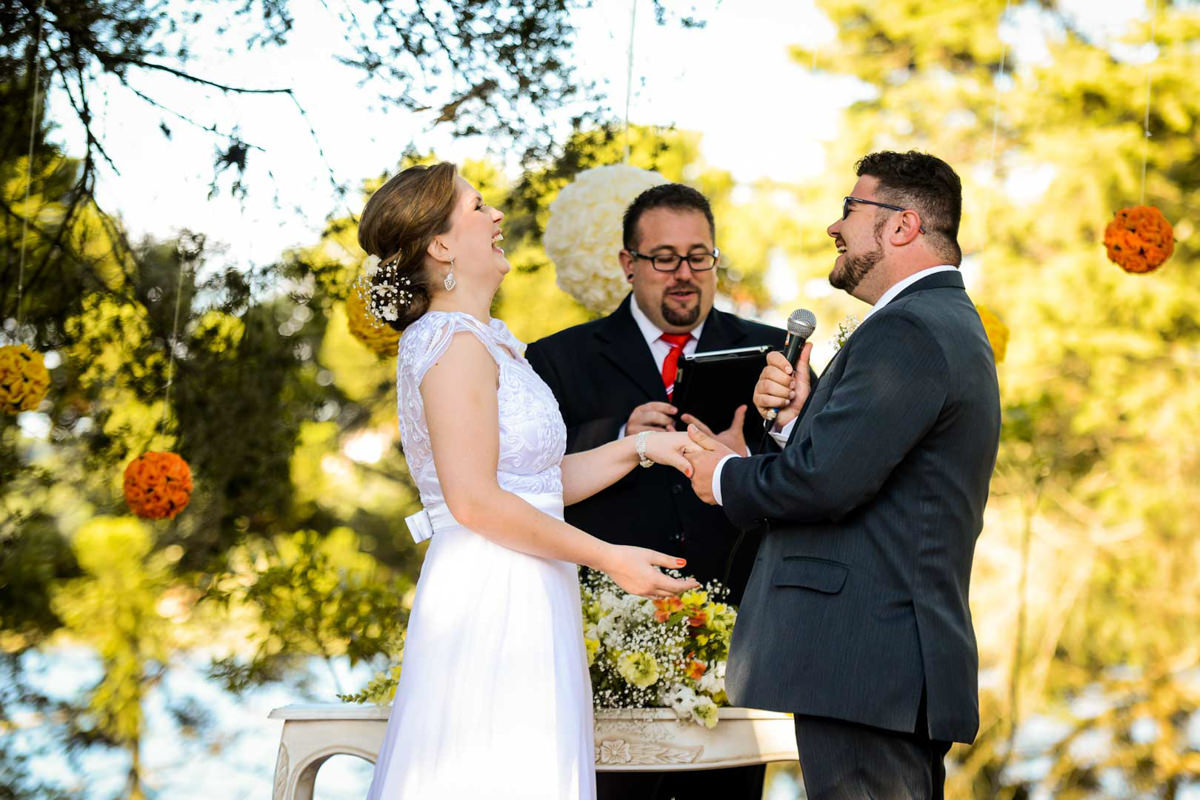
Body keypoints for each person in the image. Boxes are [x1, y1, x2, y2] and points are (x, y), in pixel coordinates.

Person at [359, 162, 700, 800]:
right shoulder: (451, 342)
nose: (496, 219)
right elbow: (475, 499)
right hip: (492, 588)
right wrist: (610, 558)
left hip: (531, 577)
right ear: (440, 245)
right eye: (479, 207)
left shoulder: (488, 341)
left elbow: (537, 484)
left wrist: (643, 447)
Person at [683, 151, 1002, 800]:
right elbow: (863, 467)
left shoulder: (909, 328)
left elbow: (824, 484)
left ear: (902, 226)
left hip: (866, 658)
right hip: (876, 664)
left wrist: (724, 475)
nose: (836, 225)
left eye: (851, 210)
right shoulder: (935, 324)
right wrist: (797, 420)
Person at [526, 183, 783, 800]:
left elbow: (819, 474)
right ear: (627, 264)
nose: (684, 274)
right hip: (605, 643)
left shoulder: (776, 353)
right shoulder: (557, 358)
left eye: (699, 256)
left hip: (739, 645)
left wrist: (747, 461)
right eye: (664, 258)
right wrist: (618, 436)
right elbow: (525, 480)